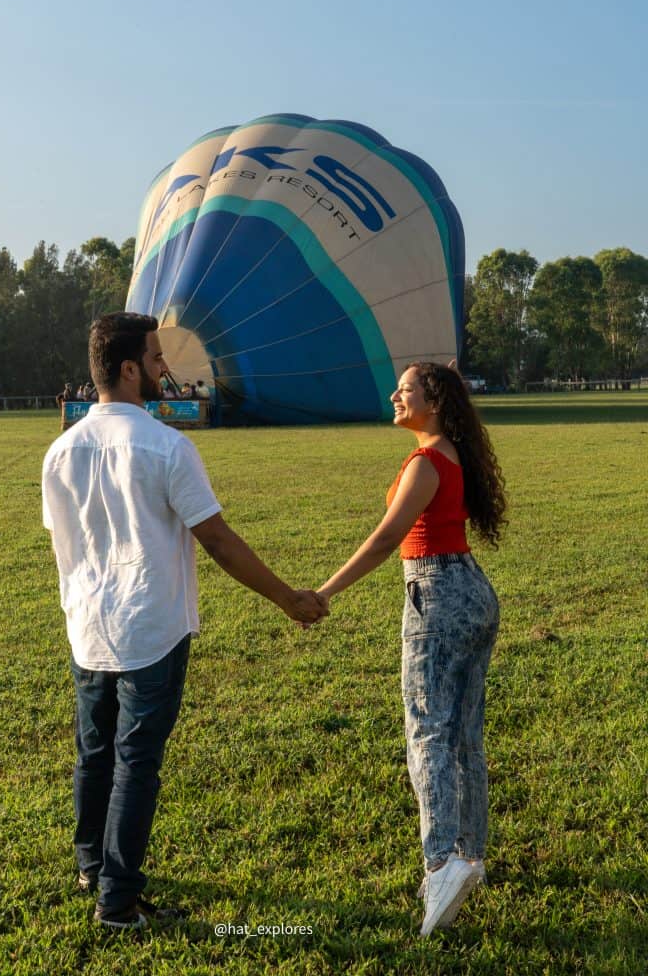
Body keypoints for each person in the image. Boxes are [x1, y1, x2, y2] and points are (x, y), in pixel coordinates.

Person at [41, 312, 327, 932]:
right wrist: (286, 598)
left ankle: (92, 863)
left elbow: (66, 536)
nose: (164, 367)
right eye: (155, 356)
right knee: (135, 761)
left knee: (94, 753)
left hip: (87, 626)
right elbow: (218, 540)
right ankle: (116, 902)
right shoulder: (167, 445)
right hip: (152, 625)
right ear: (128, 369)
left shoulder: (59, 451)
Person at [315, 361, 506, 937]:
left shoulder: (426, 463)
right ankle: (470, 856)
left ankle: (442, 861)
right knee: (463, 735)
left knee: (427, 731)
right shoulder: (453, 453)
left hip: (437, 594)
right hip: (472, 590)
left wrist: (322, 593)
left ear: (435, 401)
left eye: (406, 390)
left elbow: (385, 539)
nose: (395, 396)